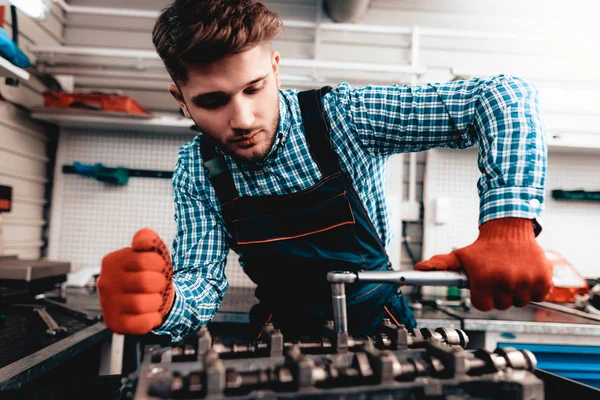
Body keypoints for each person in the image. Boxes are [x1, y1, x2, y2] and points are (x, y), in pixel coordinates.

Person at [97, 0, 552, 343]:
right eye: (212, 102)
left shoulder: (345, 118)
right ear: (181, 100)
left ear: (275, 71)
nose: (243, 119)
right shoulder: (198, 169)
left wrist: (508, 227)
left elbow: (504, 98)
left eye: (254, 89)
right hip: (281, 337)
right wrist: (164, 305)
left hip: (382, 327)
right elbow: (200, 281)